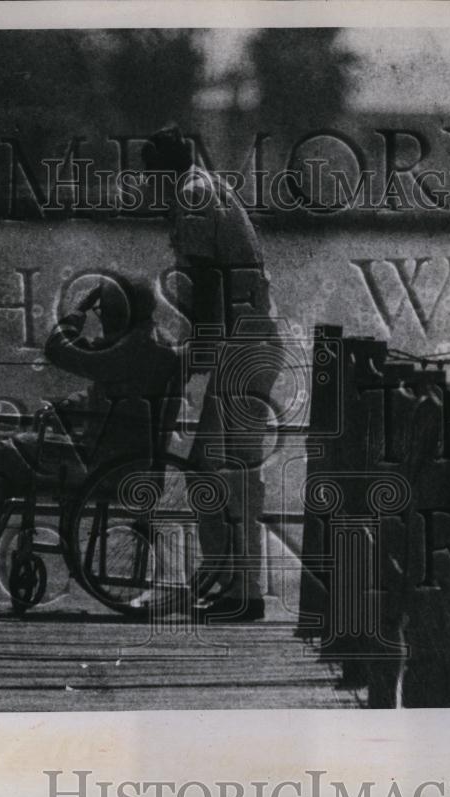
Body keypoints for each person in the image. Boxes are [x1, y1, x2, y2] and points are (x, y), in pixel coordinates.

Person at [0, 277, 179, 595]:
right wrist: (64, 409)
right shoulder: (152, 343)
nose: (101, 320)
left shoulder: (133, 349)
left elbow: (58, 349)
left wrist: (77, 312)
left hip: (103, 465)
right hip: (115, 458)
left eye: (102, 311)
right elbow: (107, 394)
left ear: (117, 312)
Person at [142, 124, 280, 621]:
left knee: (225, 468)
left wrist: (196, 353)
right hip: (249, 342)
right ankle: (226, 575)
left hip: (243, 347)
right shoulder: (201, 188)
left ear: (164, 171)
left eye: (150, 176)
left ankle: (240, 587)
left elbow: (208, 284)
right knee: (218, 467)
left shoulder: (194, 195)